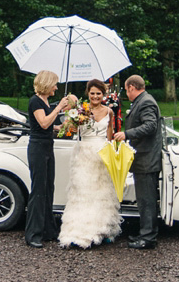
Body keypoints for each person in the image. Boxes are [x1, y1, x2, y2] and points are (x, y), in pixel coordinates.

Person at [58, 79, 122, 249]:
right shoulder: (80, 110)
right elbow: (69, 129)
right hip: (84, 154)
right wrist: (75, 120)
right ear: (88, 94)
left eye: (98, 93)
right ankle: (78, 231)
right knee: (83, 192)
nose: (95, 96)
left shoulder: (109, 112)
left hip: (102, 156)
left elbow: (109, 134)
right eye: (92, 93)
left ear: (103, 95)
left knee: (101, 193)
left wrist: (112, 152)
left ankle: (101, 230)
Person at [113, 75, 163, 250]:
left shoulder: (146, 102)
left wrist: (127, 134)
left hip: (147, 158)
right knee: (143, 198)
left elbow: (150, 126)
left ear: (132, 87)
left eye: (127, 90)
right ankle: (144, 232)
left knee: (147, 199)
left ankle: (148, 238)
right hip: (143, 158)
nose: (127, 93)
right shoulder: (143, 101)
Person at [25, 70, 73, 248]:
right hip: (37, 148)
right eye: (54, 84)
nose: (56, 87)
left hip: (47, 147)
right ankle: (33, 234)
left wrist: (61, 126)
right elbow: (43, 122)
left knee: (48, 188)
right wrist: (59, 107)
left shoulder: (44, 101)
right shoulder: (35, 101)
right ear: (46, 84)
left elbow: (48, 126)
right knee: (38, 190)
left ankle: (47, 229)